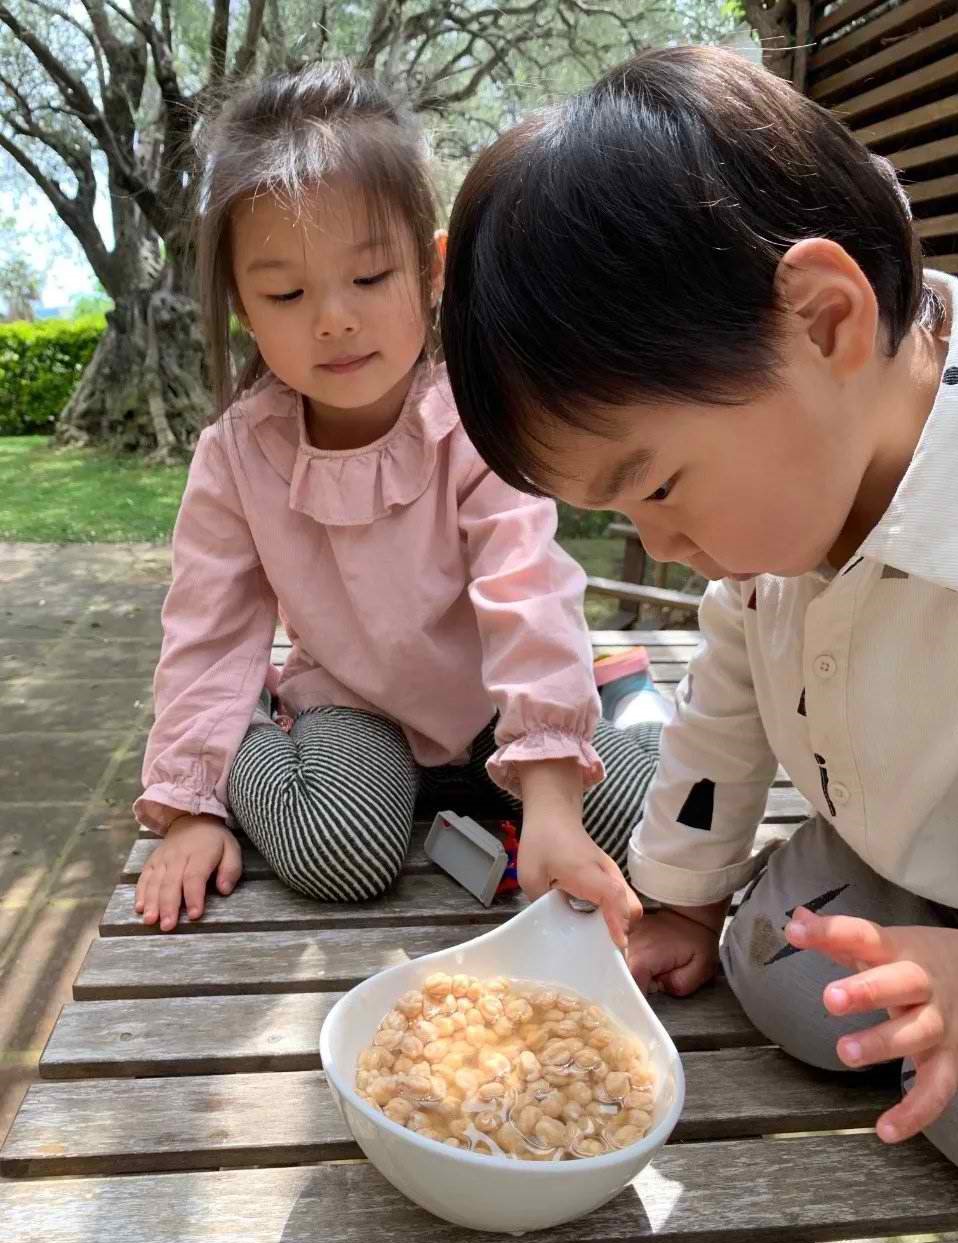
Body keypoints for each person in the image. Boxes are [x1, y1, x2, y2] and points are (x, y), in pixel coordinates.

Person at [439, 46, 958, 1162]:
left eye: (659, 487)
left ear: (823, 322)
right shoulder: (788, 505)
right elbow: (720, 713)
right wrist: (679, 901)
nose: (664, 551)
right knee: (777, 969)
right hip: (897, 848)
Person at [132, 61, 662, 949]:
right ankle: (253, 732)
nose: (333, 319)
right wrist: (191, 802)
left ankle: (620, 710)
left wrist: (551, 792)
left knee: (641, 825)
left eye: (370, 277)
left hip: (493, 698)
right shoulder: (236, 455)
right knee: (341, 851)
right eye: (288, 294)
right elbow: (209, 630)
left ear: (430, 267)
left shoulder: (475, 418)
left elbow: (525, 588)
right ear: (242, 310)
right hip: (350, 704)